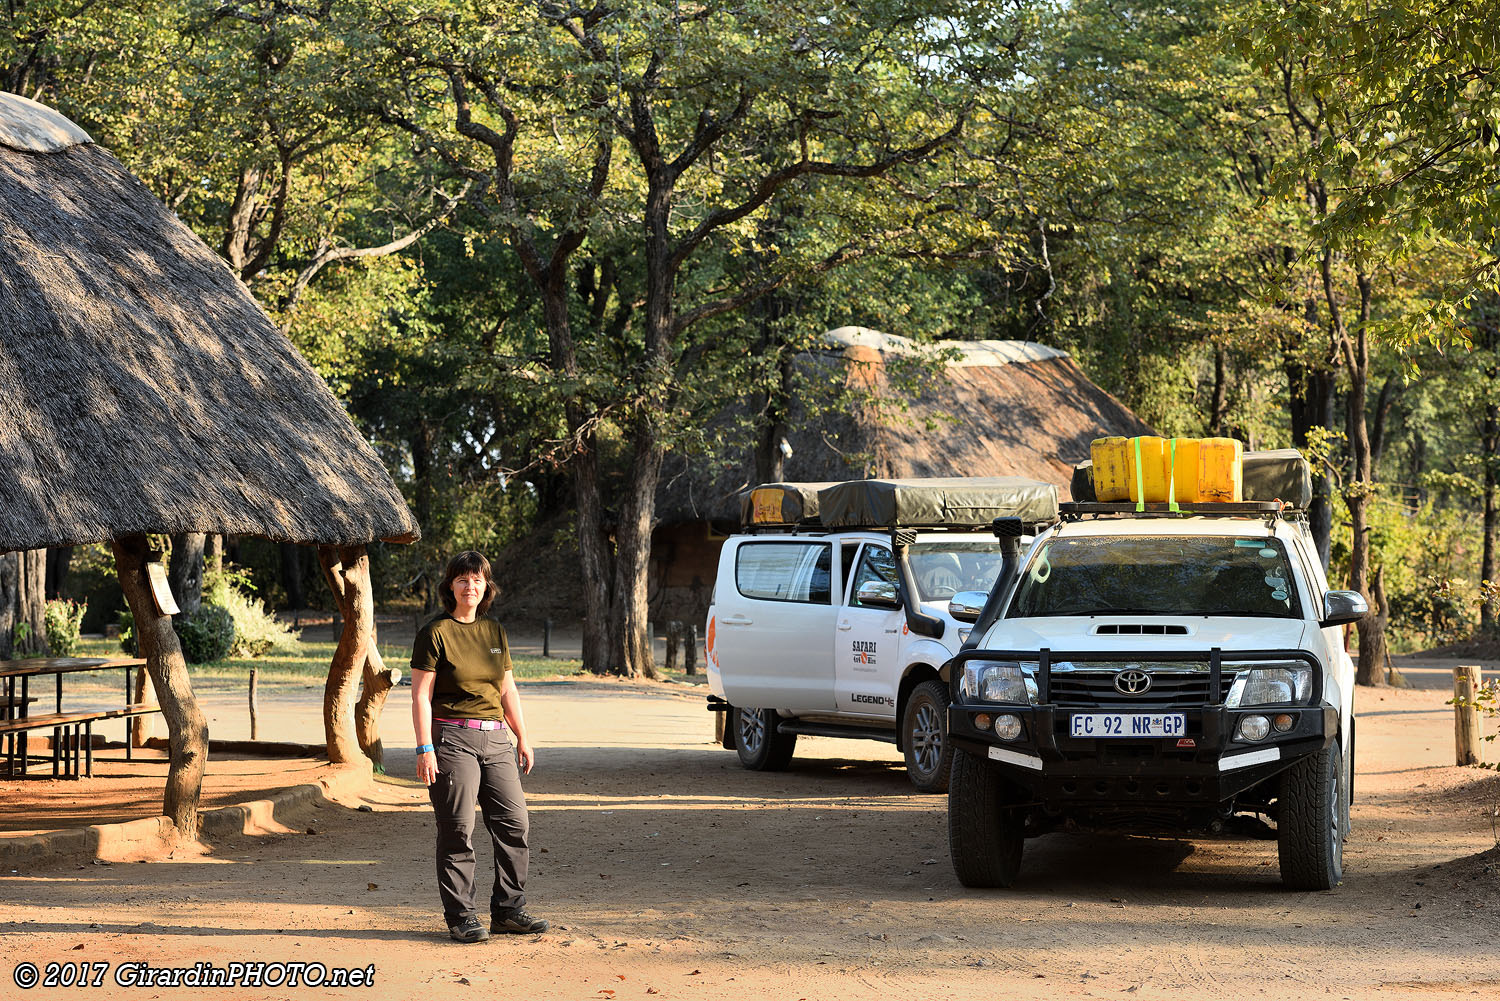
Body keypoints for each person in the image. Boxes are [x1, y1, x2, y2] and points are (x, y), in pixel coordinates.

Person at [412, 550, 548, 943]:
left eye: (477, 579)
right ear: (450, 586)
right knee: (458, 828)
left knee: (514, 822)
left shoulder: (494, 632)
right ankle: (461, 917)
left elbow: (507, 689)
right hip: (452, 738)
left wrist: (522, 736)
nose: (470, 586)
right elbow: (421, 697)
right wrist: (425, 748)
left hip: (496, 739)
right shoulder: (435, 633)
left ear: (486, 586)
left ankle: (509, 911)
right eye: (462, 579)